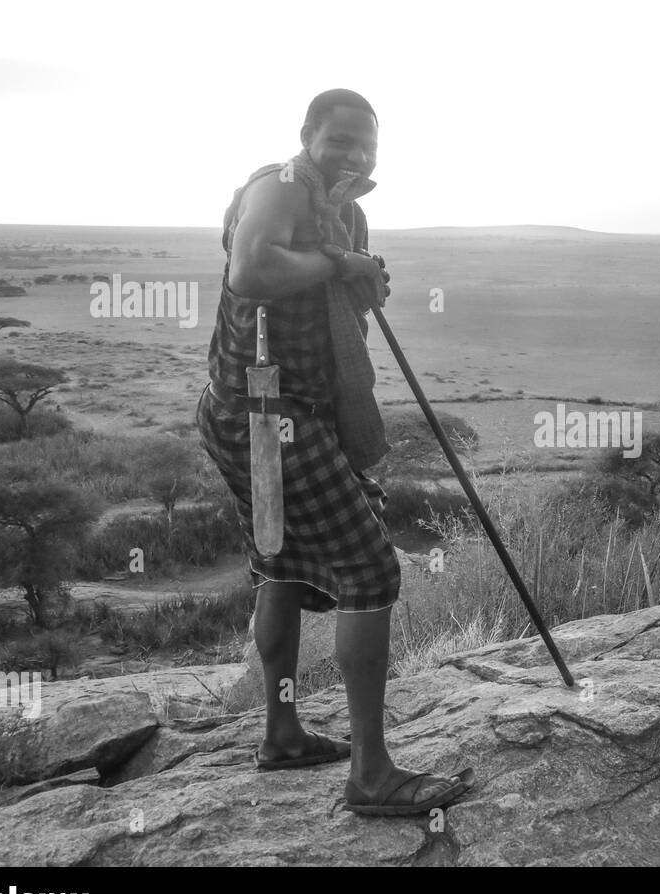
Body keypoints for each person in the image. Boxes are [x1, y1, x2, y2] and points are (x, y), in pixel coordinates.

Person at [196, 89, 473, 815]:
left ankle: (283, 735)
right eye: (340, 140)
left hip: (296, 410)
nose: (353, 155)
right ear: (307, 136)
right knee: (370, 568)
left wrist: (358, 274)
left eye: (366, 146)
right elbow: (251, 271)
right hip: (264, 414)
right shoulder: (276, 189)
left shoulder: (343, 210)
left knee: (280, 565)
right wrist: (340, 264)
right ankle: (372, 777)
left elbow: (336, 292)